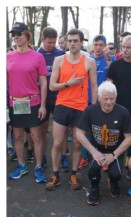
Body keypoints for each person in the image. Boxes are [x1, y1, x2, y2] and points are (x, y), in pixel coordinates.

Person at [47, 28, 98, 192]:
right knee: (57, 142)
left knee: (77, 144)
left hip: (80, 108)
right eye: (70, 41)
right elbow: (52, 86)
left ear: (82, 42)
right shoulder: (59, 60)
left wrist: (95, 108)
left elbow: (94, 85)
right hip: (62, 106)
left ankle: (74, 174)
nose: (72, 44)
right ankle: (55, 175)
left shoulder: (89, 61)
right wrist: (69, 83)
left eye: (76, 41)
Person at [75, 82, 131, 205]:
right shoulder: (90, 110)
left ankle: (113, 181)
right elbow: (79, 133)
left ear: (116, 97)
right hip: (97, 148)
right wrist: (94, 152)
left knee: (116, 174)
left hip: (115, 149)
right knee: (93, 170)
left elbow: (130, 137)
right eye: (105, 98)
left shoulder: (123, 112)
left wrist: (113, 155)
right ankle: (95, 187)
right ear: (98, 97)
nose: (109, 102)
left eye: (112, 99)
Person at [7, 22, 49, 183]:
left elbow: (43, 82)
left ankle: (38, 167)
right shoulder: (7, 57)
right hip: (14, 104)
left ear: (27, 35)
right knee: (17, 137)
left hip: (33, 103)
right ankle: (22, 165)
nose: (16, 37)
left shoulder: (37, 56)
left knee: (36, 136)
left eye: (19, 34)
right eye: (13, 34)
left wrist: (43, 105)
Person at [37, 27, 66, 170]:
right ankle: (42, 157)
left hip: (59, 97)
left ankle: (64, 156)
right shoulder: (37, 54)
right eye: (49, 42)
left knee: (62, 131)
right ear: (42, 40)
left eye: (54, 42)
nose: (52, 45)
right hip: (42, 98)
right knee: (42, 130)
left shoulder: (60, 54)